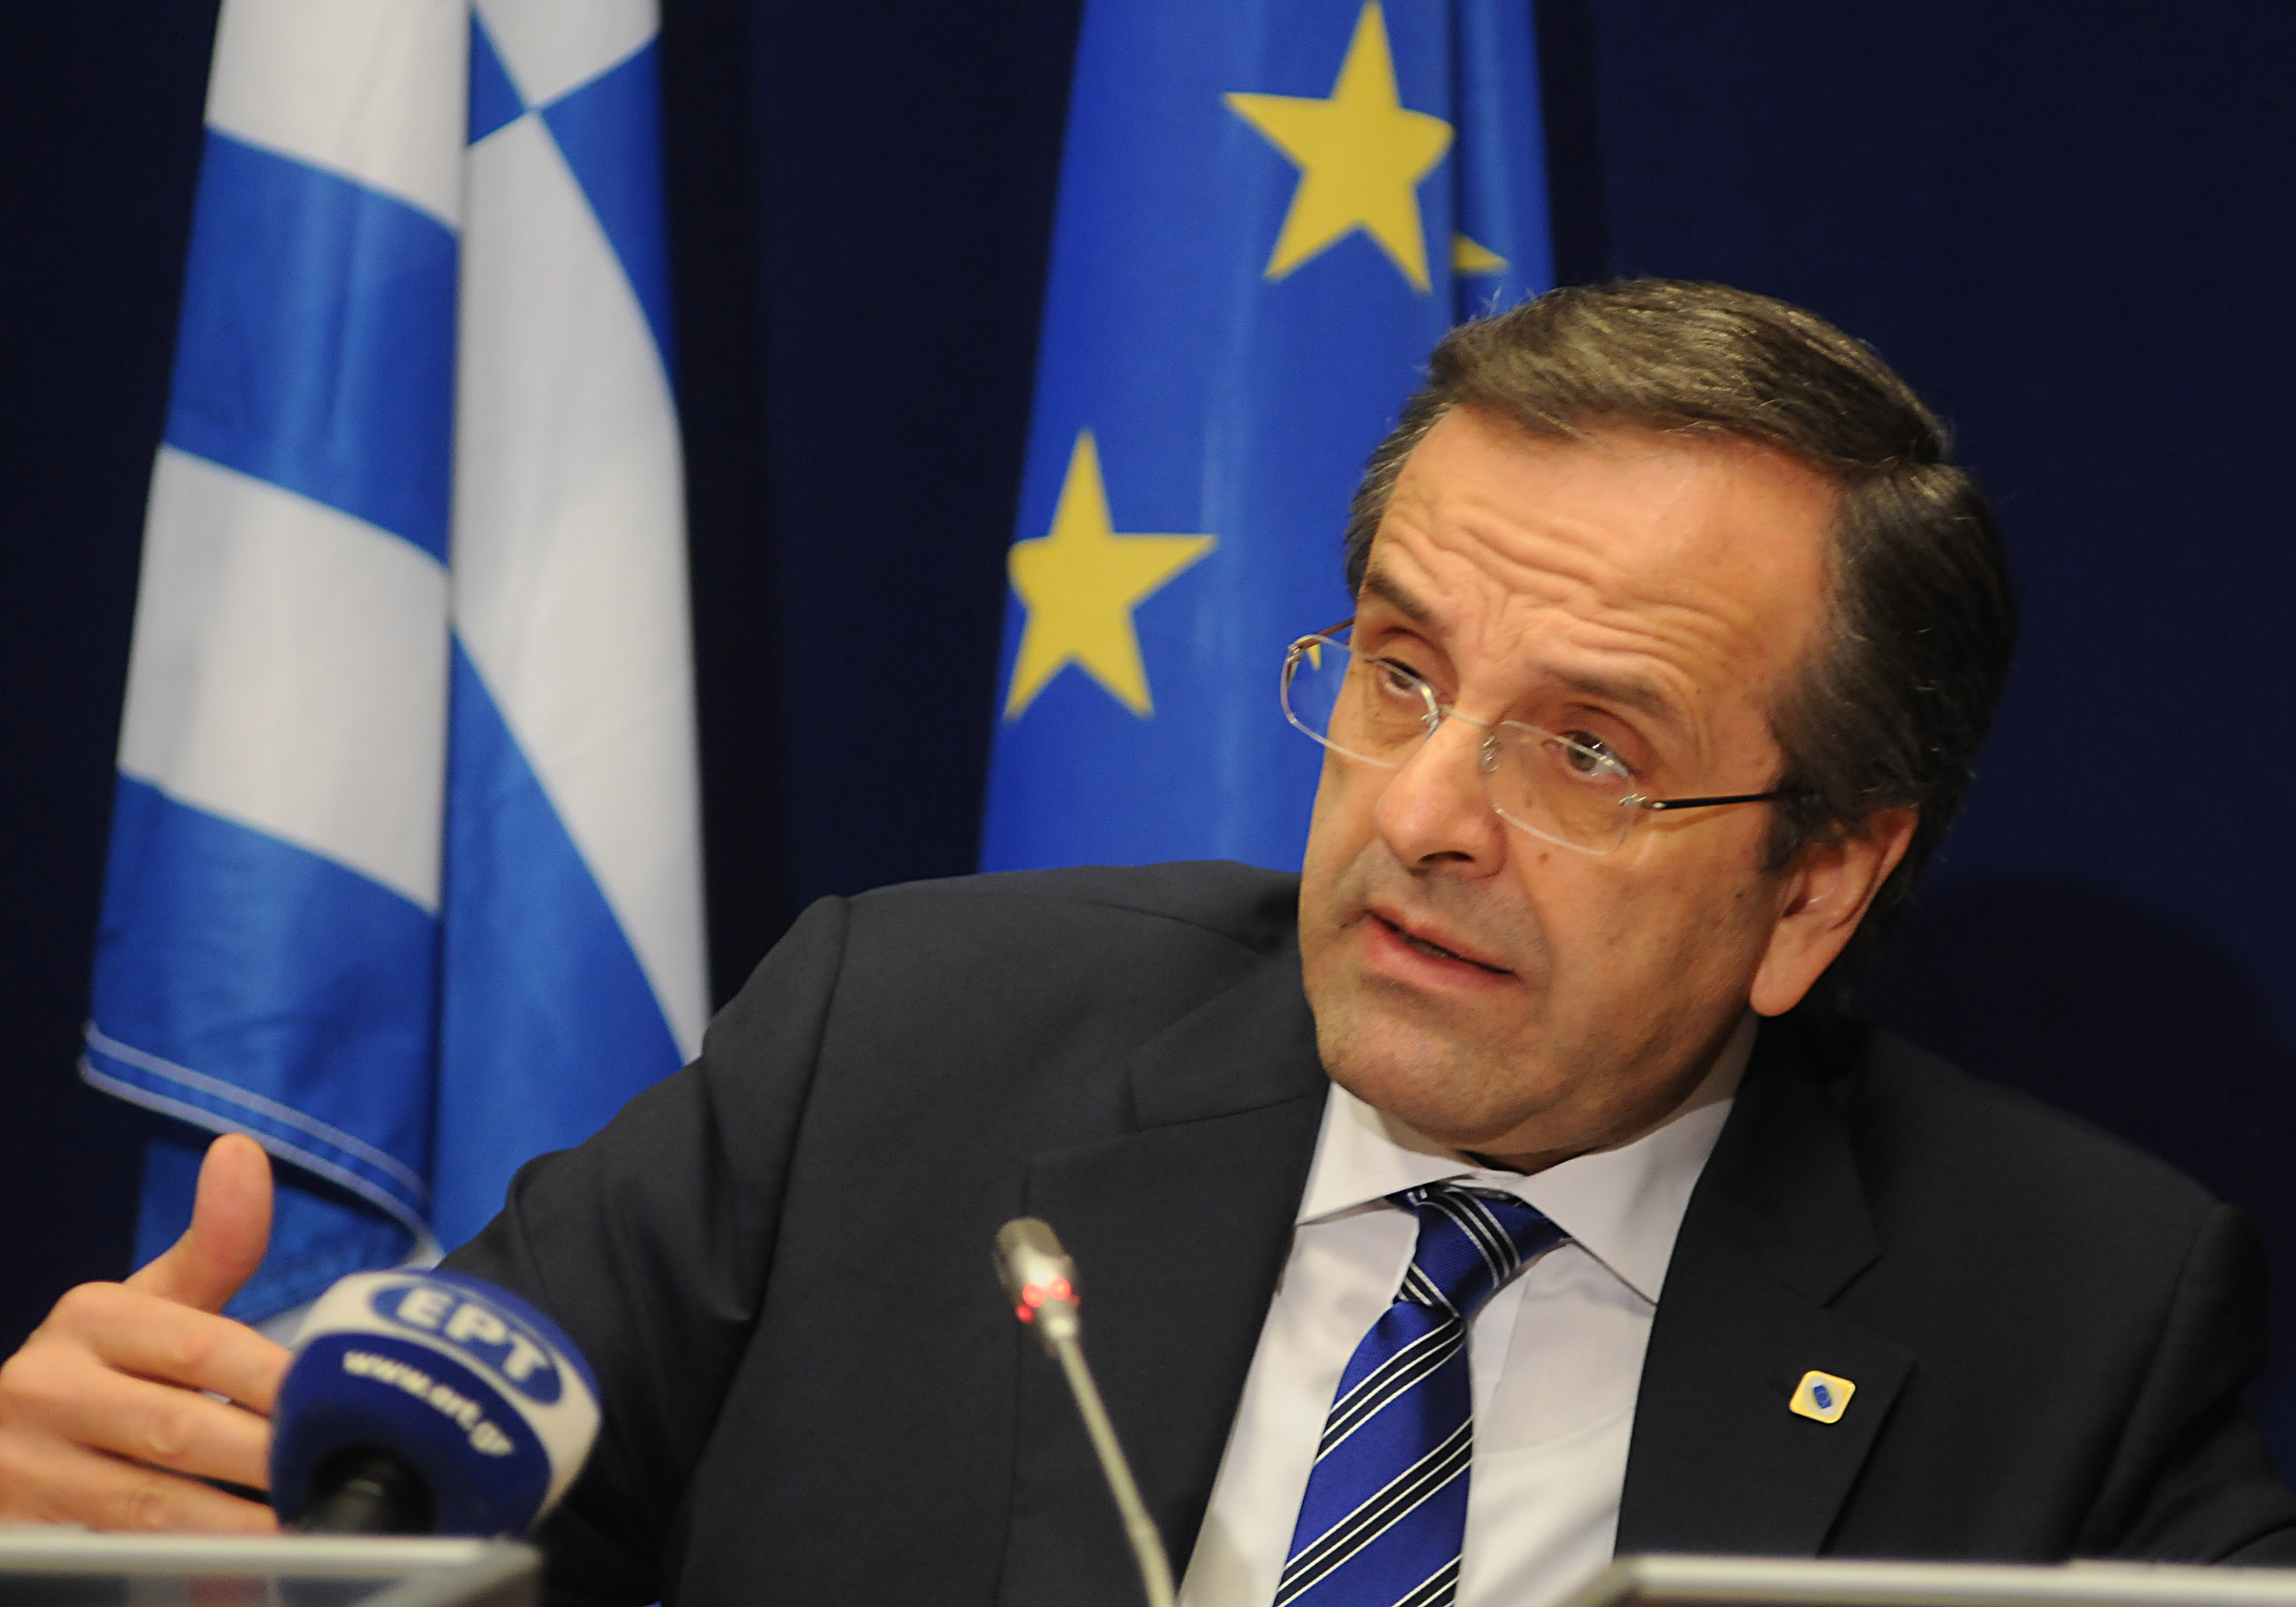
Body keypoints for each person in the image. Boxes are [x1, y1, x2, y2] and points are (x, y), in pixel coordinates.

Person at [5, 281, 2293, 1607]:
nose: (1421, 813)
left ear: (1815, 885)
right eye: (1398, 672)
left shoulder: (2074, 1321)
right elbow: (396, 1546)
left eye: (1588, 753)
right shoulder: (896, 1049)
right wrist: (141, 1528)